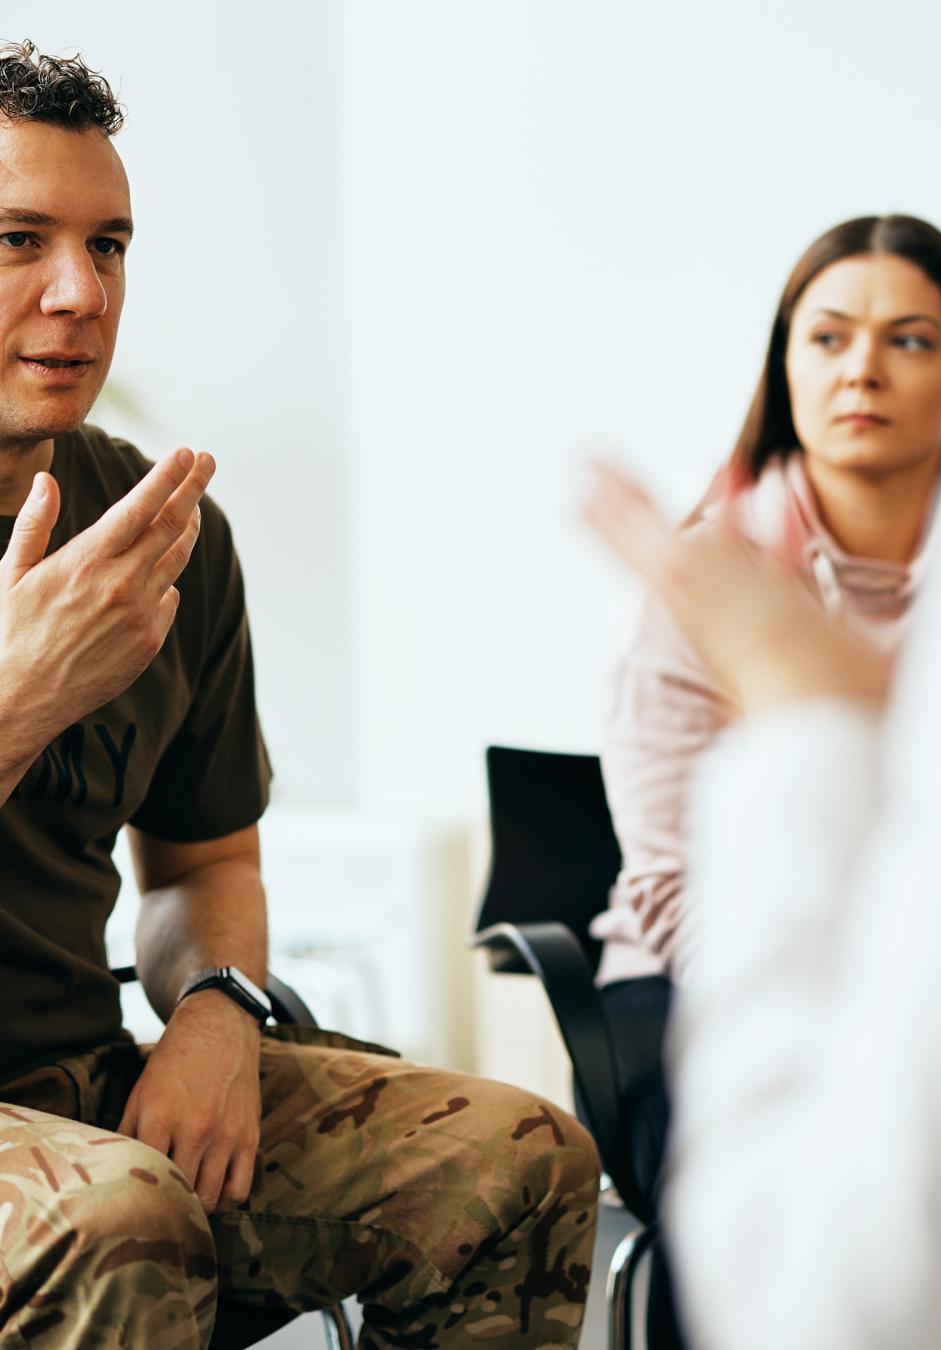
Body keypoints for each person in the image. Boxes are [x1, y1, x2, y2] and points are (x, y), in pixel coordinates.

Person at [0, 41, 599, 1348]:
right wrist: (20, 692)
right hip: (76, 1185)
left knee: (515, 1156)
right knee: (120, 1222)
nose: (76, 291)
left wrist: (217, 1007)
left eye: (109, 246)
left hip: (80, 1081)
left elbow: (202, 862)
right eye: (18, 239)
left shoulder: (160, 533)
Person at [583, 212, 941, 1343]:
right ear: (785, 362)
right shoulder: (712, 573)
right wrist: (841, 996)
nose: (861, 366)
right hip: (700, 976)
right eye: (827, 337)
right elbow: (667, 880)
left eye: (908, 340)